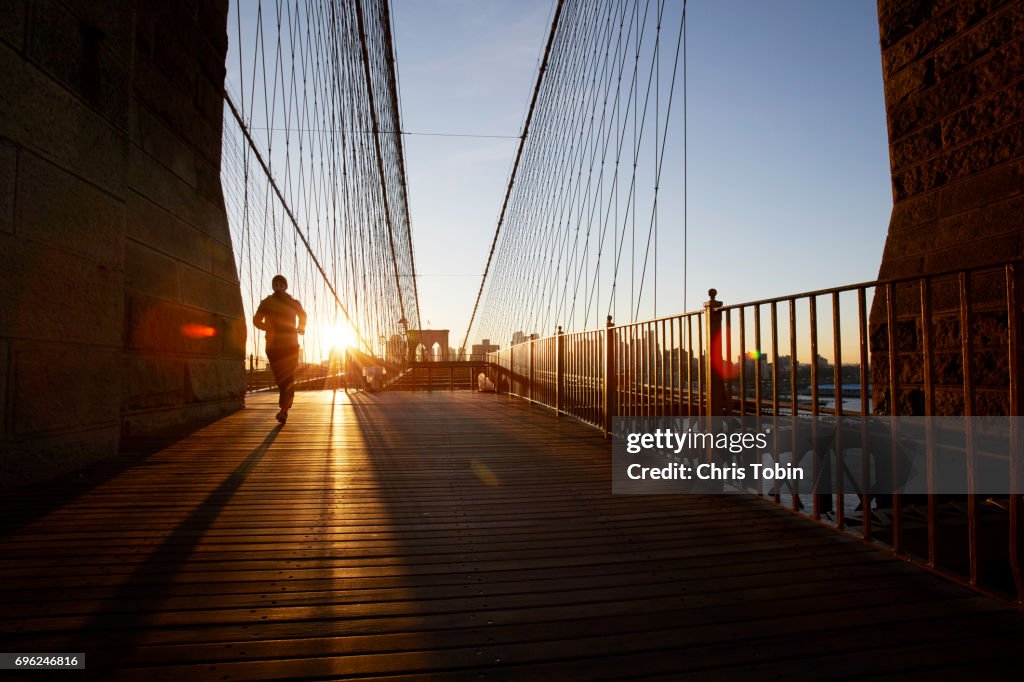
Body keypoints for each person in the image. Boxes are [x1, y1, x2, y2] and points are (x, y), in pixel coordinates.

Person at [253, 275, 307, 424]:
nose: (278, 287)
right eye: (275, 285)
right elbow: (256, 320)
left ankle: (283, 410)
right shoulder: (266, 303)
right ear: (273, 287)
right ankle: (284, 407)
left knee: (287, 377)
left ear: (285, 287)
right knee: (280, 378)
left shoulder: (293, 302)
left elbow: (302, 315)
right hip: (273, 346)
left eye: (281, 285)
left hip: (290, 345)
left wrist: (301, 327)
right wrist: (267, 327)